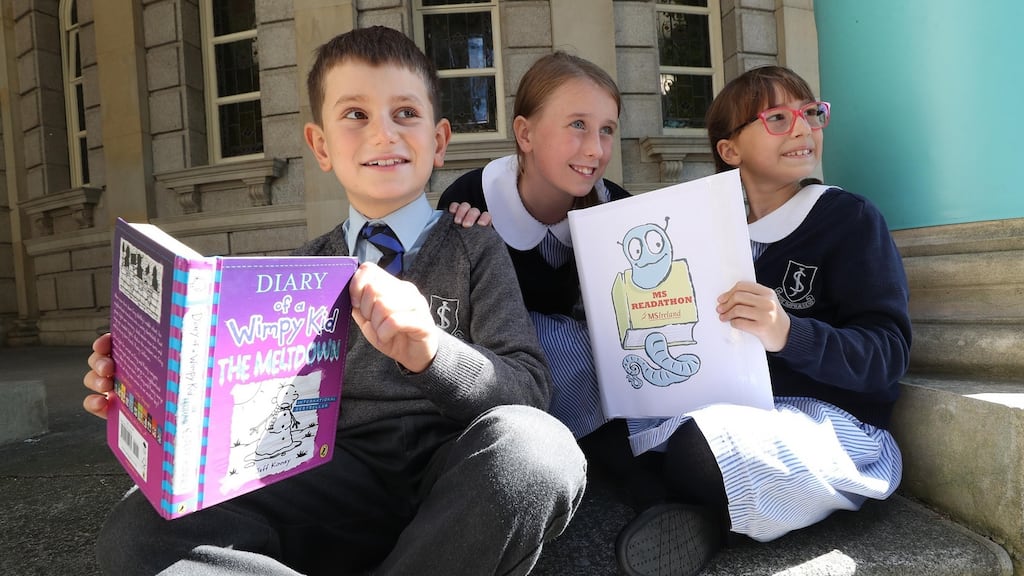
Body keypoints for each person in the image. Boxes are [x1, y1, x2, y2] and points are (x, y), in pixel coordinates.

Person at [81, 26, 586, 576]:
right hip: (329, 480)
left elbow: (530, 390)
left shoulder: (475, 247)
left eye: (405, 113)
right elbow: (246, 424)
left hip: (457, 477)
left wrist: (433, 353)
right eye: (355, 115)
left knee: (539, 449)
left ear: (439, 141)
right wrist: (146, 394)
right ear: (321, 145)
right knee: (138, 531)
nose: (383, 134)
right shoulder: (292, 273)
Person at [605, 65, 913, 576]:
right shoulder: (706, 237)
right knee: (607, 409)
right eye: (776, 117)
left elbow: (887, 355)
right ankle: (694, 513)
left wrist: (788, 333)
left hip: (827, 422)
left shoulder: (848, 219)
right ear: (730, 150)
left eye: (810, 113)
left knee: (698, 449)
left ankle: (681, 509)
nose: (801, 128)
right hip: (731, 407)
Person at [439, 51, 630, 440]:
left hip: (607, 400)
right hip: (508, 398)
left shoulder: (620, 212)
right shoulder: (470, 200)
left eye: (607, 129)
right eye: (578, 124)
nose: (596, 148)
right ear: (525, 134)